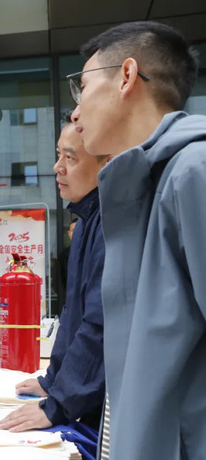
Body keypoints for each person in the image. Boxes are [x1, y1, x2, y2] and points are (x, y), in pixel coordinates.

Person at [68, 21, 203, 459]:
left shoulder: (194, 171)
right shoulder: (140, 187)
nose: (75, 112)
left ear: (126, 76)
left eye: (83, 87)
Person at [0, 117, 111, 440]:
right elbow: (73, 314)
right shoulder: (85, 221)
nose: (57, 167)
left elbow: (100, 324)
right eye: (58, 155)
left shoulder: (112, 221)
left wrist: (57, 404)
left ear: (107, 162)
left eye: (70, 157)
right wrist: (52, 382)